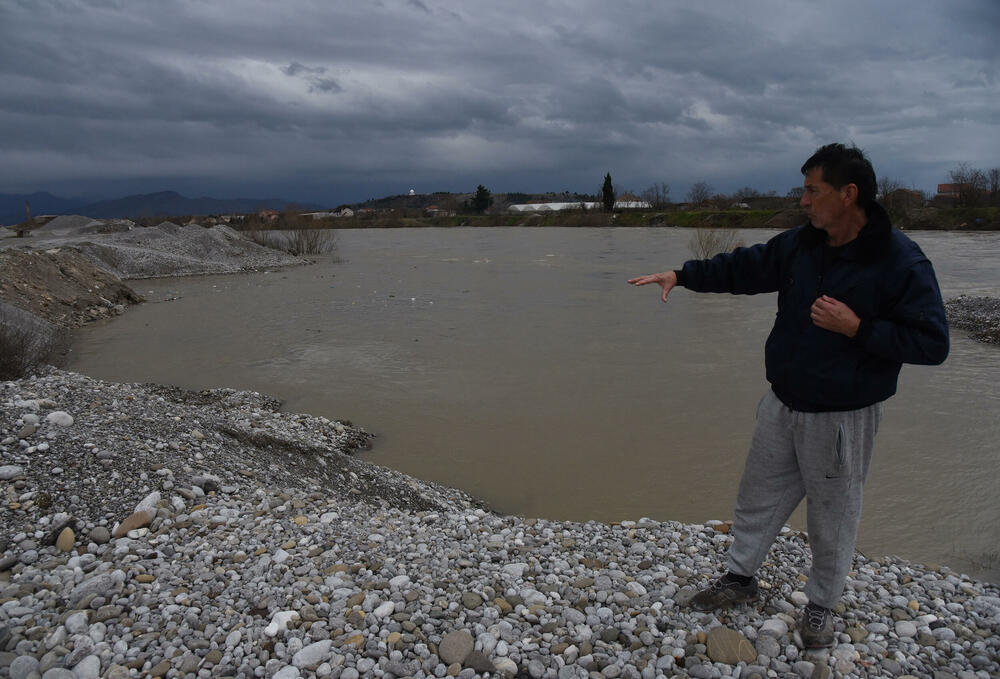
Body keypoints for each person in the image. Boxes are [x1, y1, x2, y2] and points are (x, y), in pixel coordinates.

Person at [628, 143, 949, 649]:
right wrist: (683, 275)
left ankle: (821, 605)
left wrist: (858, 328)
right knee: (756, 497)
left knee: (833, 515)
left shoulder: (900, 260)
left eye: (812, 190)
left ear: (848, 194)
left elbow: (933, 344)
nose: (803, 201)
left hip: (843, 414)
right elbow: (743, 267)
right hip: (783, 401)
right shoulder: (802, 244)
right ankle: (739, 579)